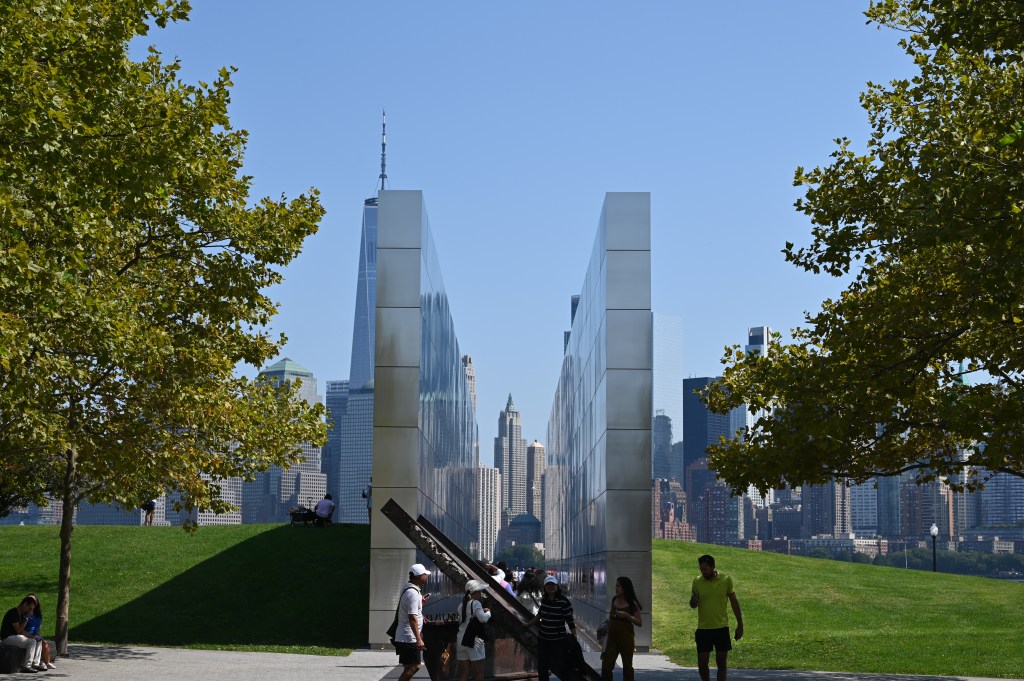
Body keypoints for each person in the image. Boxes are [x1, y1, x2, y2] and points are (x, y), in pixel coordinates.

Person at [689, 554, 743, 681]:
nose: (703, 572)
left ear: (713, 567)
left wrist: (740, 624)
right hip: (703, 628)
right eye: (701, 569)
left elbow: (734, 602)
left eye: (705, 569)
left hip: (721, 628)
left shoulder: (726, 580)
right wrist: (693, 601)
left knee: (722, 664)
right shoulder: (697, 581)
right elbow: (693, 605)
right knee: (702, 664)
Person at [526, 575, 576, 681]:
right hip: (544, 639)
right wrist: (528, 624)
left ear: (557, 586)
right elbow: (539, 615)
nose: (550, 587)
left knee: (563, 666)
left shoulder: (563, 601)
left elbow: (570, 620)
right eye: (548, 585)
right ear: (545, 587)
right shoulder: (545, 600)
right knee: (542, 667)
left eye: (553, 585)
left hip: (559, 640)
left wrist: (574, 637)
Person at [601, 576, 642, 681]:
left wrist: (628, 616)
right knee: (606, 666)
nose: (616, 588)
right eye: (616, 586)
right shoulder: (614, 600)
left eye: (618, 586)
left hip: (626, 638)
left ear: (625, 588)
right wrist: (605, 627)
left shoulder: (632, 603)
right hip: (612, 638)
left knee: (627, 667)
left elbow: (639, 622)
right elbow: (611, 617)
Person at [395, 563, 430, 681]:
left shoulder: (407, 587)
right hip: (409, 637)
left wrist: (420, 602)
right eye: (425, 575)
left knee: (408, 667)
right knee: (415, 666)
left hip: (404, 635)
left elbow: (411, 610)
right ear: (420, 577)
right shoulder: (413, 594)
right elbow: (412, 617)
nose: (426, 577)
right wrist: (419, 639)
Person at [456, 580, 492, 681]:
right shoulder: (475, 603)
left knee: (464, 672)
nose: (481, 593)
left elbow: (461, 621)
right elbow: (483, 619)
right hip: (473, 641)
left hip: (461, 639)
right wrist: (489, 612)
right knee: (479, 672)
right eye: (480, 591)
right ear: (474, 592)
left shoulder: (461, 605)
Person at [1, 597, 44, 673]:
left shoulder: (20, 614)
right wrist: (27, 618)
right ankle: (27, 666)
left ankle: (35, 664)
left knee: (38, 640)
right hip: (7, 638)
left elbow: (21, 632)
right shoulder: (14, 613)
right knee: (32, 642)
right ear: (24, 604)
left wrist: (34, 637)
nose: (29, 611)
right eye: (29, 608)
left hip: (15, 637)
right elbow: (18, 630)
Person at [23, 596, 55, 671]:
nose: (31, 605)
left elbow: (37, 626)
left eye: (33, 603)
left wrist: (37, 632)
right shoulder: (24, 613)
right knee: (42, 643)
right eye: (30, 602)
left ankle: (45, 662)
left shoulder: (37, 614)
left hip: (35, 633)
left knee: (45, 644)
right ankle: (42, 662)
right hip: (27, 633)